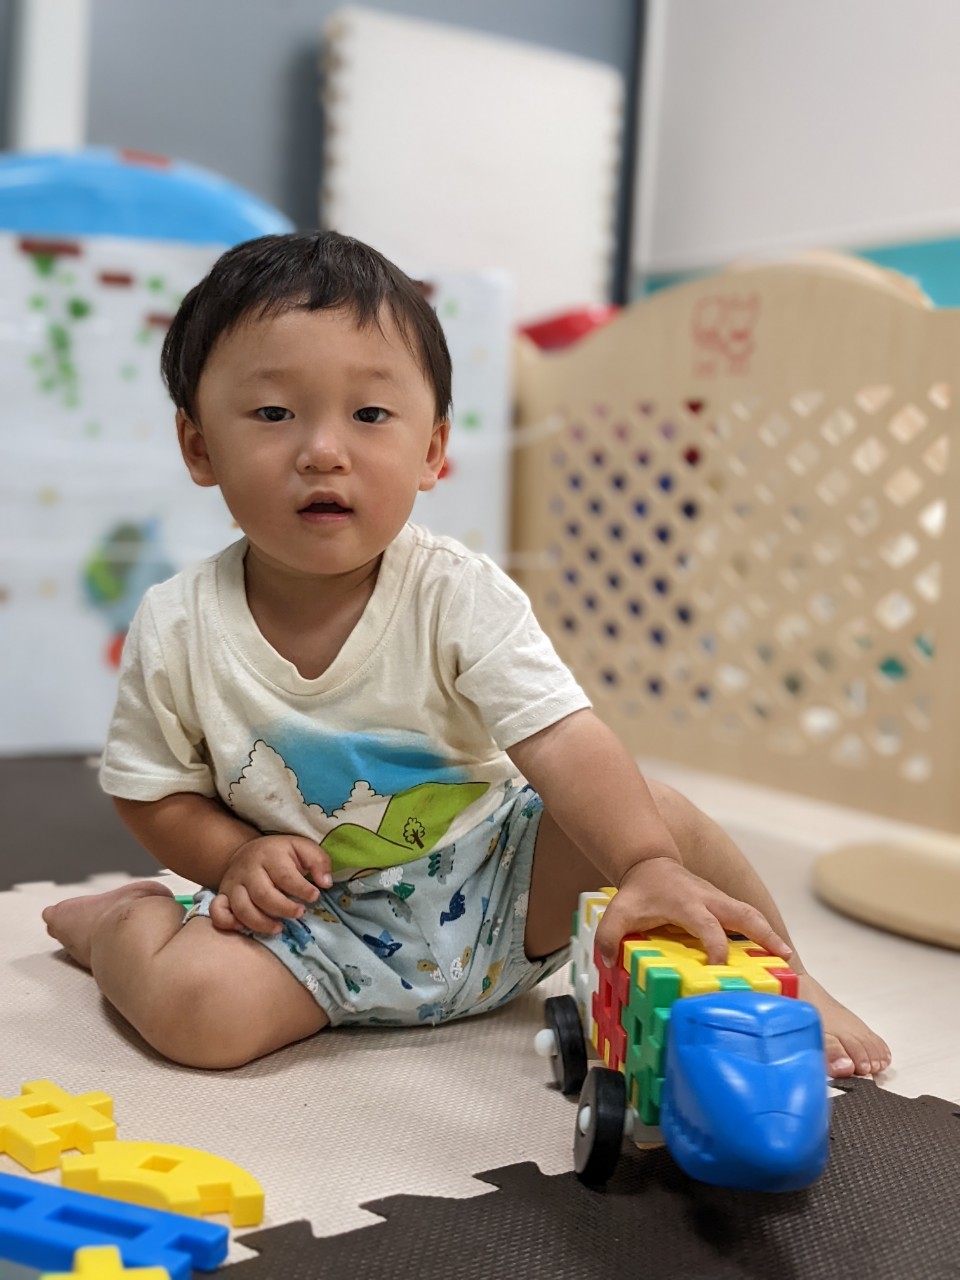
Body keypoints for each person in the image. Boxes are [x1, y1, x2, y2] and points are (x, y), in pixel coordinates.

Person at [43, 231, 890, 1079]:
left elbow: (561, 736)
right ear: (199, 447)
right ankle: (119, 927)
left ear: (432, 452)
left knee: (658, 816)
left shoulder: (457, 593)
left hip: (501, 891)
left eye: (370, 415)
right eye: (273, 414)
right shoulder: (178, 624)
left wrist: (645, 865)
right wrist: (231, 857)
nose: (324, 450)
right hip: (308, 925)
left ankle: (787, 977)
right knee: (198, 1014)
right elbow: (152, 790)